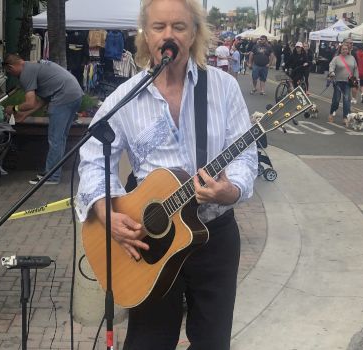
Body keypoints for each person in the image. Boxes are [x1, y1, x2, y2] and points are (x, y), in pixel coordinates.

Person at [76, 0, 257, 349]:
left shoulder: (223, 88)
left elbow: (245, 153)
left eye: (179, 26)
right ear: (146, 35)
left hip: (213, 237)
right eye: (159, 27)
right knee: (148, 341)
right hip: (150, 240)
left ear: (194, 34)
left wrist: (230, 190)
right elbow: (92, 158)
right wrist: (105, 211)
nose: (168, 35)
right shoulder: (125, 98)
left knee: (212, 342)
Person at [3, 54, 83, 185]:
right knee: (60, 138)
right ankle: (54, 172)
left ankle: (52, 176)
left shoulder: (25, 73)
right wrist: (25, 115)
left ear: (11, 67)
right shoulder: (34, 66)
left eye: (10, 72)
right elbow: (43, 99)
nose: (13, 75)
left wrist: (14, 108)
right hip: (75, 94)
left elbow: (30, 102)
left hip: (63, 96)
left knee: (55, 139)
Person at [328, 43, 359, 126]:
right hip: (338, 81)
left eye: (346, 49)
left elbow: (355, 69)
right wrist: (332, 72)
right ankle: (332, 113)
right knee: (336, 100)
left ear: (348, 50)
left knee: (346, 100)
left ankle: (345, 117)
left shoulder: (352, 58)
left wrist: (356, 78)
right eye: (343, 49)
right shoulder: (336, 58)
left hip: (348, 82)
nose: (345, 50)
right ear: (340, 50)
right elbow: (331, 66)